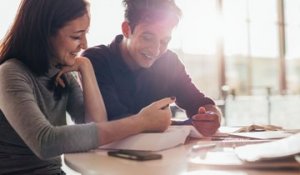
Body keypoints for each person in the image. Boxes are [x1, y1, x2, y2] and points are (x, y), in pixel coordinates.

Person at [0, 0, 174, 174]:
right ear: (45, 33)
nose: (84, 44)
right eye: (76, 36)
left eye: (85, 34)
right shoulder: (10, 73)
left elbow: (96, 125)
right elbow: (45, 143)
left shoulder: (63, 73)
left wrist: (86, 68)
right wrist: (140, 122)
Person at [82, 0, 222, 137]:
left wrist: (211, 117)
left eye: (164, 41)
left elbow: (200, 103)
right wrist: (150, 122)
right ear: (127, 29)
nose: (156, 50)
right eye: (147, 38)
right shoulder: (96, 60)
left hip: (161, 157)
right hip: (104, 158)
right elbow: (110, 121)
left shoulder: (169, 62)